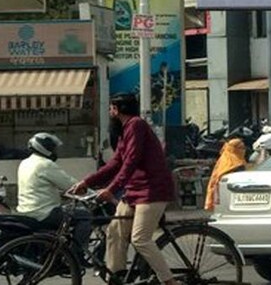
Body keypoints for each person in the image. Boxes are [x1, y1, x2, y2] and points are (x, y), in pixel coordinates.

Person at [71, 94, 178, 285]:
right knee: (115, 230)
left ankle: (169, 281)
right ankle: (117, 277)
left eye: (111, 108)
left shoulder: (136, 125)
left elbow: (131, 161)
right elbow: (115, 163)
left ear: (118, 109)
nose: (110, 112)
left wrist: (111, 189)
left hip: (152, 191)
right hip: (134, 191)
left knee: (140, 239)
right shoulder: (124, 130)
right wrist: (86, 182)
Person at [17, 133, 92, 253]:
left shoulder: (25, 163)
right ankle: (77, 254)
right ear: (45, 148)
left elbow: (38, 186)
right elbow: (72, 185)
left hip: (26, 210)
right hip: (44, 213)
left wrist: (59, 193)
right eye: (52, 148)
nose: (54, 151)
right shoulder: (45, 164)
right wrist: (94, 194)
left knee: (69, 213)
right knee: (85, 216)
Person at [205, 139, 248, 211]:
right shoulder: (229, 161)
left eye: (243, 148)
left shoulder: (238, 159)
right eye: (240, 148)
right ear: (233, 149)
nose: (243, 150)